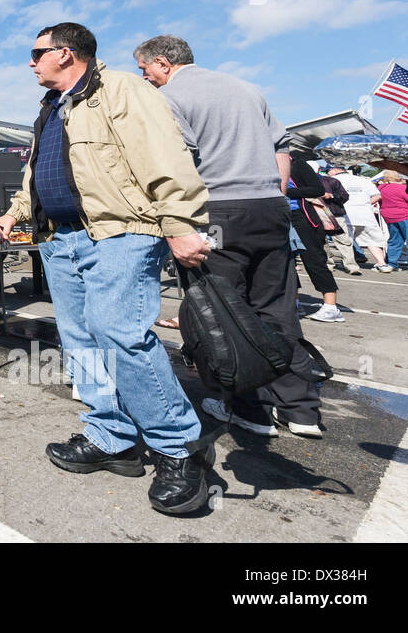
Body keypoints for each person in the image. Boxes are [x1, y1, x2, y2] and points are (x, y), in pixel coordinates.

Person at [0, 22, 215, 516]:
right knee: (79, 341)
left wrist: (181, 223)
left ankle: (178, 448)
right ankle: (111, 438)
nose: (31, 62)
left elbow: (164, 156)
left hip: (121, 233)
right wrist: (16, 212)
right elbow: (38, 173)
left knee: (119, 332)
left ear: (66, 54)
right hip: (61, 239)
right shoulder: (50, 107)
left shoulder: (123, 90)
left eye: (37, 53)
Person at [135, 35, 324, 439]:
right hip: (269, 207)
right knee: (277, 306)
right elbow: (283, 148)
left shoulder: (168, 97)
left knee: (223, 313)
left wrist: (176, 224)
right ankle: (300, 409)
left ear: (163, 63)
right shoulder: (246, 88)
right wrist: (275, 191)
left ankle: (247, 407)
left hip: (216, 208)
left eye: (145, 69)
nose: (145, 77)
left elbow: (175, 160)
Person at [286, 155, 343, 321]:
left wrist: (285, 191)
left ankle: (331, 307)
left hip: (301, 216)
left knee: (313, 259)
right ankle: (294, 303)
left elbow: (317, 189)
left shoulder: (296, 163)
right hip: (279, 215)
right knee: (285, 261)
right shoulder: (264, 163)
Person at [332, 166, 389, 269]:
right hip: (365, 213)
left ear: (335, 170)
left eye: (329, 171)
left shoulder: (334, 180)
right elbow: (377, 196)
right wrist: (365, 204)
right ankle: (382, 263)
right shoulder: (363, 180)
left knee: (345, 241)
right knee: (372, 240)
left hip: (346, 213)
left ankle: (351, 265)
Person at [318, 166, 361, 275]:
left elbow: (344, 196)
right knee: (322, 242)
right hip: (317, 215)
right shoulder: (304, 182)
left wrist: (331, 196)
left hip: (334, 214)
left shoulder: (332, 181)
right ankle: (328, 264)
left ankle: (351, 266)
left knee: (343, 240)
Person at [376, 170, 408, 272]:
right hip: (405, 216)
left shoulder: (381, 188)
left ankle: (392, 263)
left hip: (389, 217)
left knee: (394, 241)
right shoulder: (403, 189)